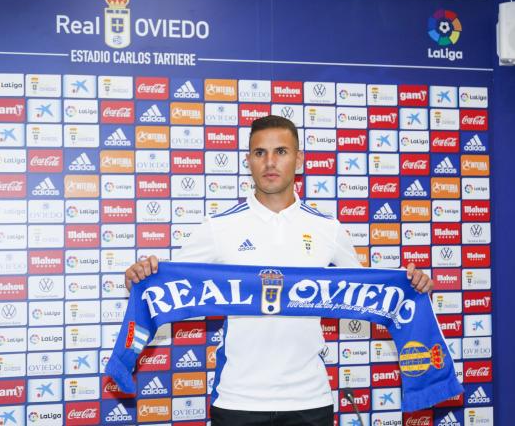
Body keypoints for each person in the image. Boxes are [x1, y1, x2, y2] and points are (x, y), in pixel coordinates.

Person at [125, 115, 433, 426]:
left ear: (299, 159)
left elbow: (367, 296)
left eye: (281, 152)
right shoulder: (218, 228)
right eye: (260, 153)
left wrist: (411, 286)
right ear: (248, 160)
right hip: (237, 399)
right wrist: (140, 276)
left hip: (310, 400)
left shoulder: (328, 229)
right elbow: (167, 284)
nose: (270, 162)